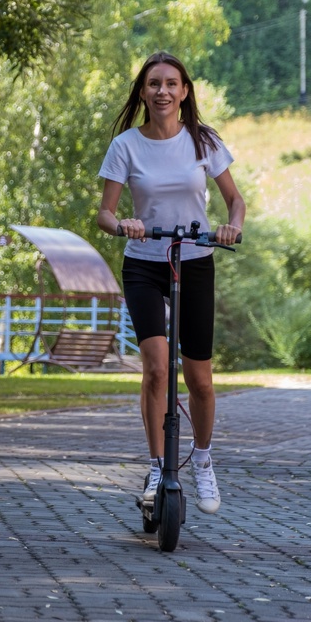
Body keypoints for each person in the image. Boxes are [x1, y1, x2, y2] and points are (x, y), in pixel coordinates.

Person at [95, 52, 245, 515]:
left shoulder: (203, 141)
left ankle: (202, 460)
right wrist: (123, 225)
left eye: (171, 83)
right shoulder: (125, 146)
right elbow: (104, 214)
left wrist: (231, 227)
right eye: (154, 83)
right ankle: (158, 465)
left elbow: (235, 200)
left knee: (200, 379)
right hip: (144, 263)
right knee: (157, 369)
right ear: (143, 92)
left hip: (195, 260)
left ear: (184, 91)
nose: (162, 91)